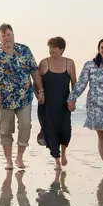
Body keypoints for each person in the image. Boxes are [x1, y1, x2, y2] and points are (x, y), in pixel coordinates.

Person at [0, 23, 43, 171]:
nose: (6, 38)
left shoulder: (24, 50)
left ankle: (19, 158)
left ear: (13, 35)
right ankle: (9, 161)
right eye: (3, 35)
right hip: (3, 100)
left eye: (9, 34)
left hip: (24, 97)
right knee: (6, 130)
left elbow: (34, 71)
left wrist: (40, 89)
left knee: (25, 126)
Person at [67, 38, 103, 172]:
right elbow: (82, 83)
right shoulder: (90, 65)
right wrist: (72, 98)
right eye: (102, 47)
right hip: (96, 105)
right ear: (99, 50)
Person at [36, 36, 77, 170]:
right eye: (50, 47)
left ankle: (63, 153)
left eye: (54, 47)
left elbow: (74, 84)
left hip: (63, 104)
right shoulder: (43, 63)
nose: (51, 50)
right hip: (47, 105)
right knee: (51, 131)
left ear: (62, 49)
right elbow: (35, 83)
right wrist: (38, 95)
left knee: (65, 131)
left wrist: (73, 100)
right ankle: (57, 161)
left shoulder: (69, 63)